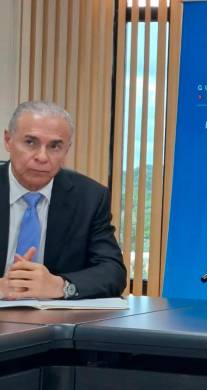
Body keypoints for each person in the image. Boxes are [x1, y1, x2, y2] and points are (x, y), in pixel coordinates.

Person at [0, 101, 126, 300]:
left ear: (67, 150)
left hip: (53, 324)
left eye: (55, 146)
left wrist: (61, 286)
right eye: (30, 142)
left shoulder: (89, 197)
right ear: (8, 140)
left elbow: (112, 272)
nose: (42, 157)